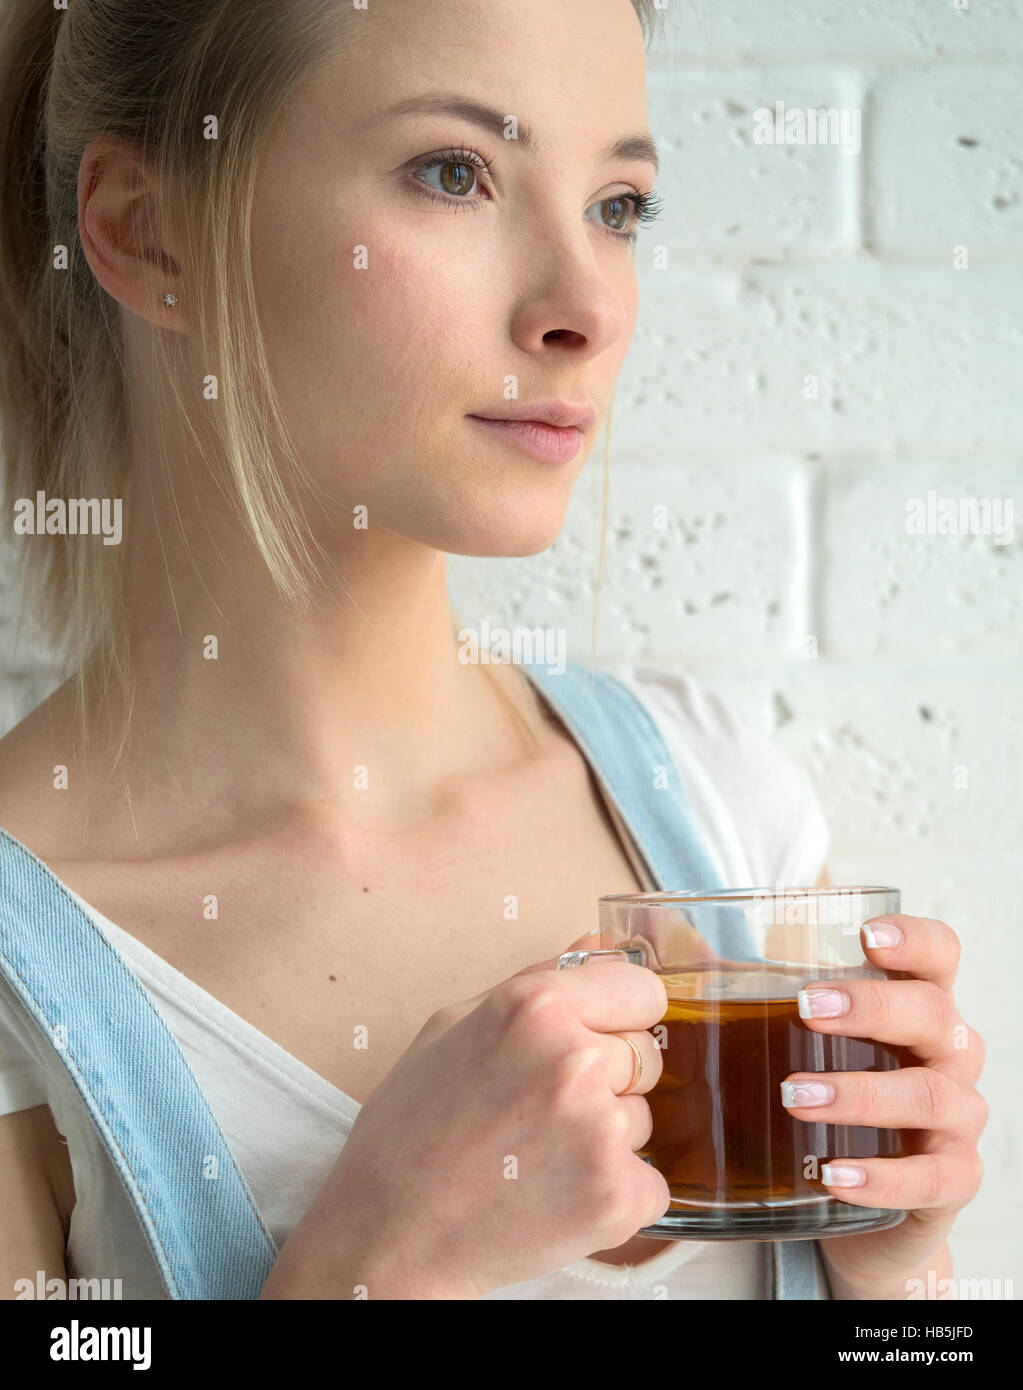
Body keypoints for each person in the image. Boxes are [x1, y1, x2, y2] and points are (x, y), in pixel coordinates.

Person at [0, 0, 986, 1301]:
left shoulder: (723, 809)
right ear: (146, 230)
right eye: (455, 173)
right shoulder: (27, 969)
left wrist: (899, 1281)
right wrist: (372, 1263)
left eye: (618, 204)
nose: (589, 305)